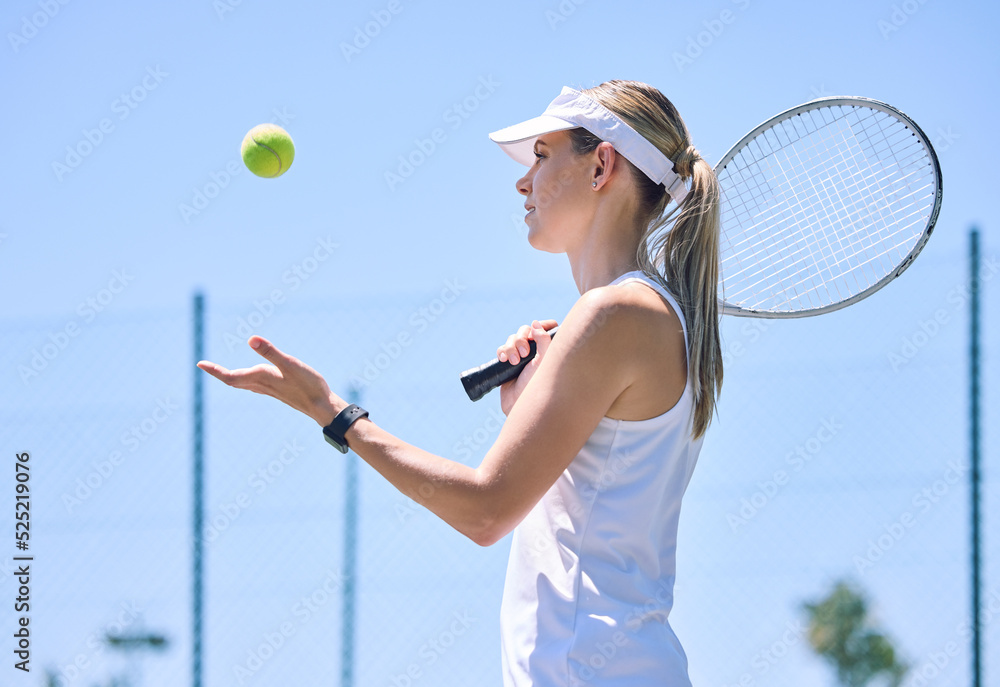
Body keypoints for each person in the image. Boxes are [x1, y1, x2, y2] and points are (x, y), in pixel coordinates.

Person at [198, 79, 722, 686]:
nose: (523, 181)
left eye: (543, 156)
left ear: (602, 164)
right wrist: (527, 406)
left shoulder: (615, 316)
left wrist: (331, 411)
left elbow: (484, 511)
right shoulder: (639, 317)